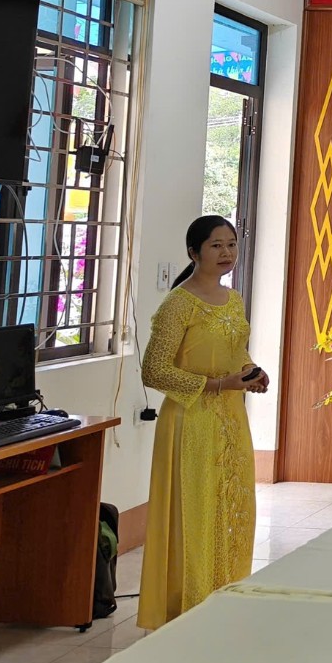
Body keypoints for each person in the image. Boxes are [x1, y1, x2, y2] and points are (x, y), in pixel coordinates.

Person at [139, 215, 267, 629]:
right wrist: (216, 385)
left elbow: (235, 352)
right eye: (216, 245)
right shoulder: (178, 304)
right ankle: (190, 606)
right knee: (195, 512)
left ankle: (227, 593)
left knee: (233, 506)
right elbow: (153, 371)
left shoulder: (234, 299)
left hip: (231, 419)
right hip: (190, 421)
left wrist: (250, 372)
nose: (226, 252)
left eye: (231, 244)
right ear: (193, 252)